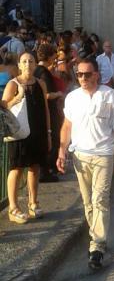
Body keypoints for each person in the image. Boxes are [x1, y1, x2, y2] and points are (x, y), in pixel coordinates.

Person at [57, 58, 114, 271]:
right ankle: (95, 237)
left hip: (103, 154)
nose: (83, 78)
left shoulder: (109, 96)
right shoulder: (72, 98)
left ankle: (97, 247)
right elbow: (67, 126)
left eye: (87, 74)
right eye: (79, 74)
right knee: (88, 202)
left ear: (97, 74)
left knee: (100, 199)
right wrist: (61, 151)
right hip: (80, 155)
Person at [4, 52, 51, 223]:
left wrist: (49, 133)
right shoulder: (13, 84)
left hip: (37, 131)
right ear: (19, 64)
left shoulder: (41, 84)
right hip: (19, 132)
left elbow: (45, 109)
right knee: (16, 168)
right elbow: (4, 106)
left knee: (34, 167)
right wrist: (17, 97)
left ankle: (33, 202)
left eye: (31, 61)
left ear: (36, 64)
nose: (27, 64)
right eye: (24, 61)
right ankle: (13, 207)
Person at [35, 43, 64, 182]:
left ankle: (46, 169)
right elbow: (46, 95)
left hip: (40, 111)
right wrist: (58, 93)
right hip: (48, 111)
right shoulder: (44, 73)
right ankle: (48, 170)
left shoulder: (37, 70)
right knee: (53, 139)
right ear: (49, 56)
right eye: (53, 55)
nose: (55, 58)